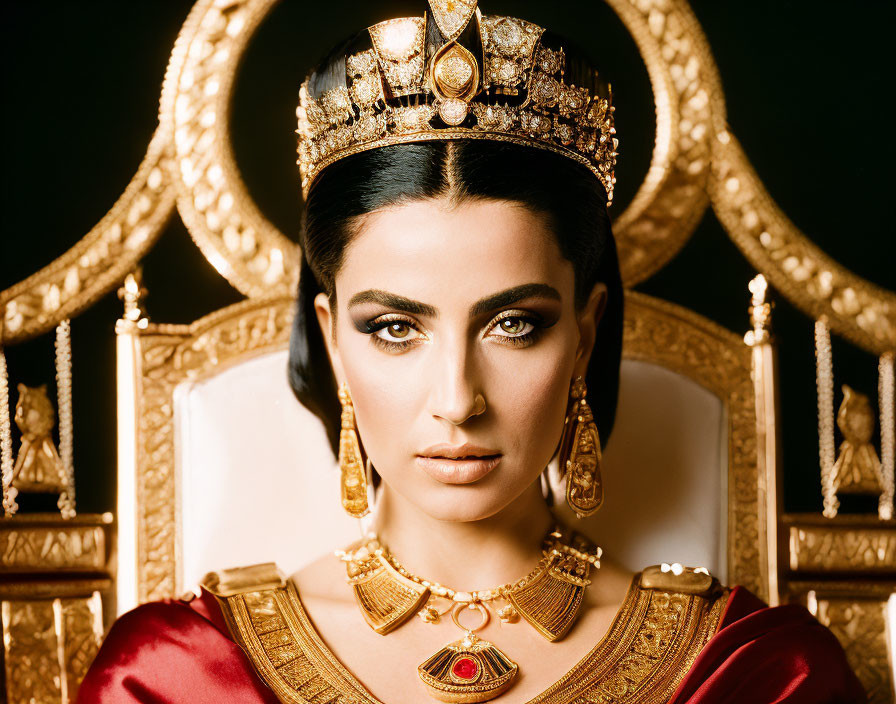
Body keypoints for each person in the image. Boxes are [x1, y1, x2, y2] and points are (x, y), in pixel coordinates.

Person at [78, 2, 864, 702]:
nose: (457, 398)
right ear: (331, 337)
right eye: (395, 328)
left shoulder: (748, 673)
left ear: (584, 336)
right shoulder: (180, 675)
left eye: (513, 324)